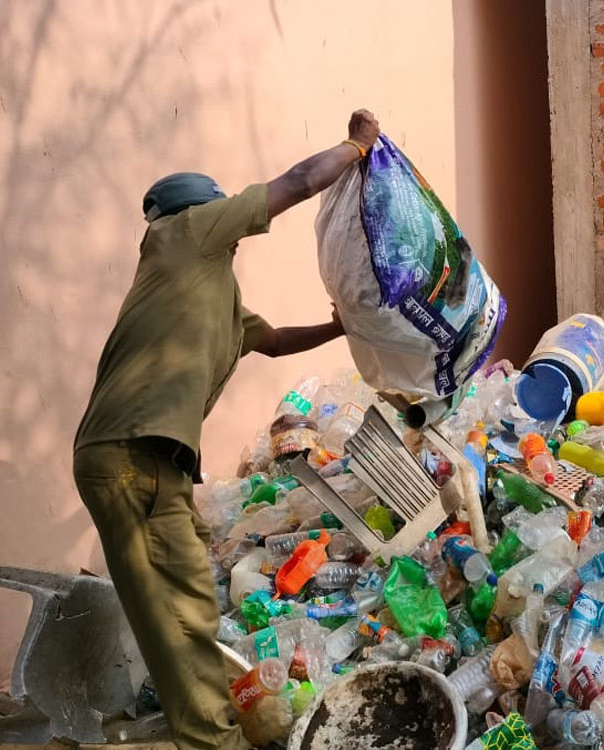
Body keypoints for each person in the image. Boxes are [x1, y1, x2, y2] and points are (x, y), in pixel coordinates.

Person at [72, 110, 381, 750]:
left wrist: (341, 326)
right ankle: (214, 739)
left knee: (190, 607)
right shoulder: (184, 235)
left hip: (144, 460)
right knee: (177, 614)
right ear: (203, 210)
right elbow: (295, 181)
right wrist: (356, 146)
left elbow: (266, 341)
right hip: (132, 457)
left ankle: (218, 728)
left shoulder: (209, 284)